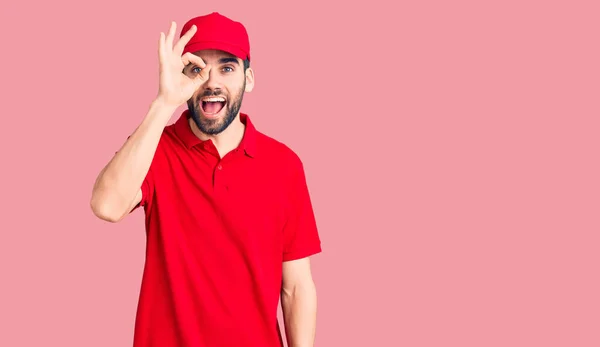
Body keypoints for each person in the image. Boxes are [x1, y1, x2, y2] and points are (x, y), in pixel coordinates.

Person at [90, 12, 322, 347]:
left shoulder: (284, 165)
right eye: (196, 69)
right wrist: (164, 102)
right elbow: (106, 205)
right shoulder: (154, 148)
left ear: (249, 78)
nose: (211, 82)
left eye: (226, 68)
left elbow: (296, 287)